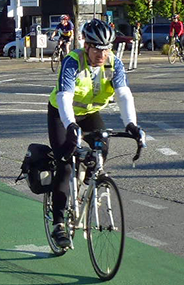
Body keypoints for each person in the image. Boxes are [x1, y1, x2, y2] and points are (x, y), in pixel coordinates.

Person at [46, 19, 145, 248]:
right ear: (86, 45)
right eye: (97, 48)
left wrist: (131, 124)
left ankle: (88, 186)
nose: (102, 54)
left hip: (90, 113)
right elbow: (64, 98)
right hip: (63, 114)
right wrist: (70, 125)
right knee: (65, 163)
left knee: (103, 146)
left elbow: (123, 95)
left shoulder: (114, 64)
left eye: (107, 48)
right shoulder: (72, 62)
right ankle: (59, 223)